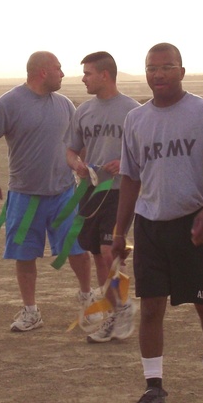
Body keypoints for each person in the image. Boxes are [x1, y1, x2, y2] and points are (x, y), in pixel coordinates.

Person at [111, 43, 203, 403]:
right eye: (152, 68)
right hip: (150, 227)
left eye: (166, 68)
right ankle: (154, 390)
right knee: (150, 308)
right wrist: (120, 231)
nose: (158, 75)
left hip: (194, 224)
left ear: (181, 71)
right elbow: (130, 178)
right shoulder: (136, 119)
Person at [0, 51, 94, 332]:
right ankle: (31, 312)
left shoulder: (66, 105)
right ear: (43, 72)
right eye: (58, 68)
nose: (63, 74)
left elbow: (77, 142)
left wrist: (81, 164)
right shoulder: (9, 103)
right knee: (24, 254)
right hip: (24, 196)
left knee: (78, 249)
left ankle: (87, 301)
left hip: (64, 194)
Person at [65, 51, 141, 342]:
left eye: (88, 73)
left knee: (110, 253)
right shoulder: (83, 111)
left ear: (105, 75)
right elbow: (71, 150)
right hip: (89, 193)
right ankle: (114, 312)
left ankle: (121, 308)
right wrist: (76, 164)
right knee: (98, 255)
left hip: (119, 193)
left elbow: (145, 153)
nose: (84, 78)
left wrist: (124, 163)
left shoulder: (133, 111)